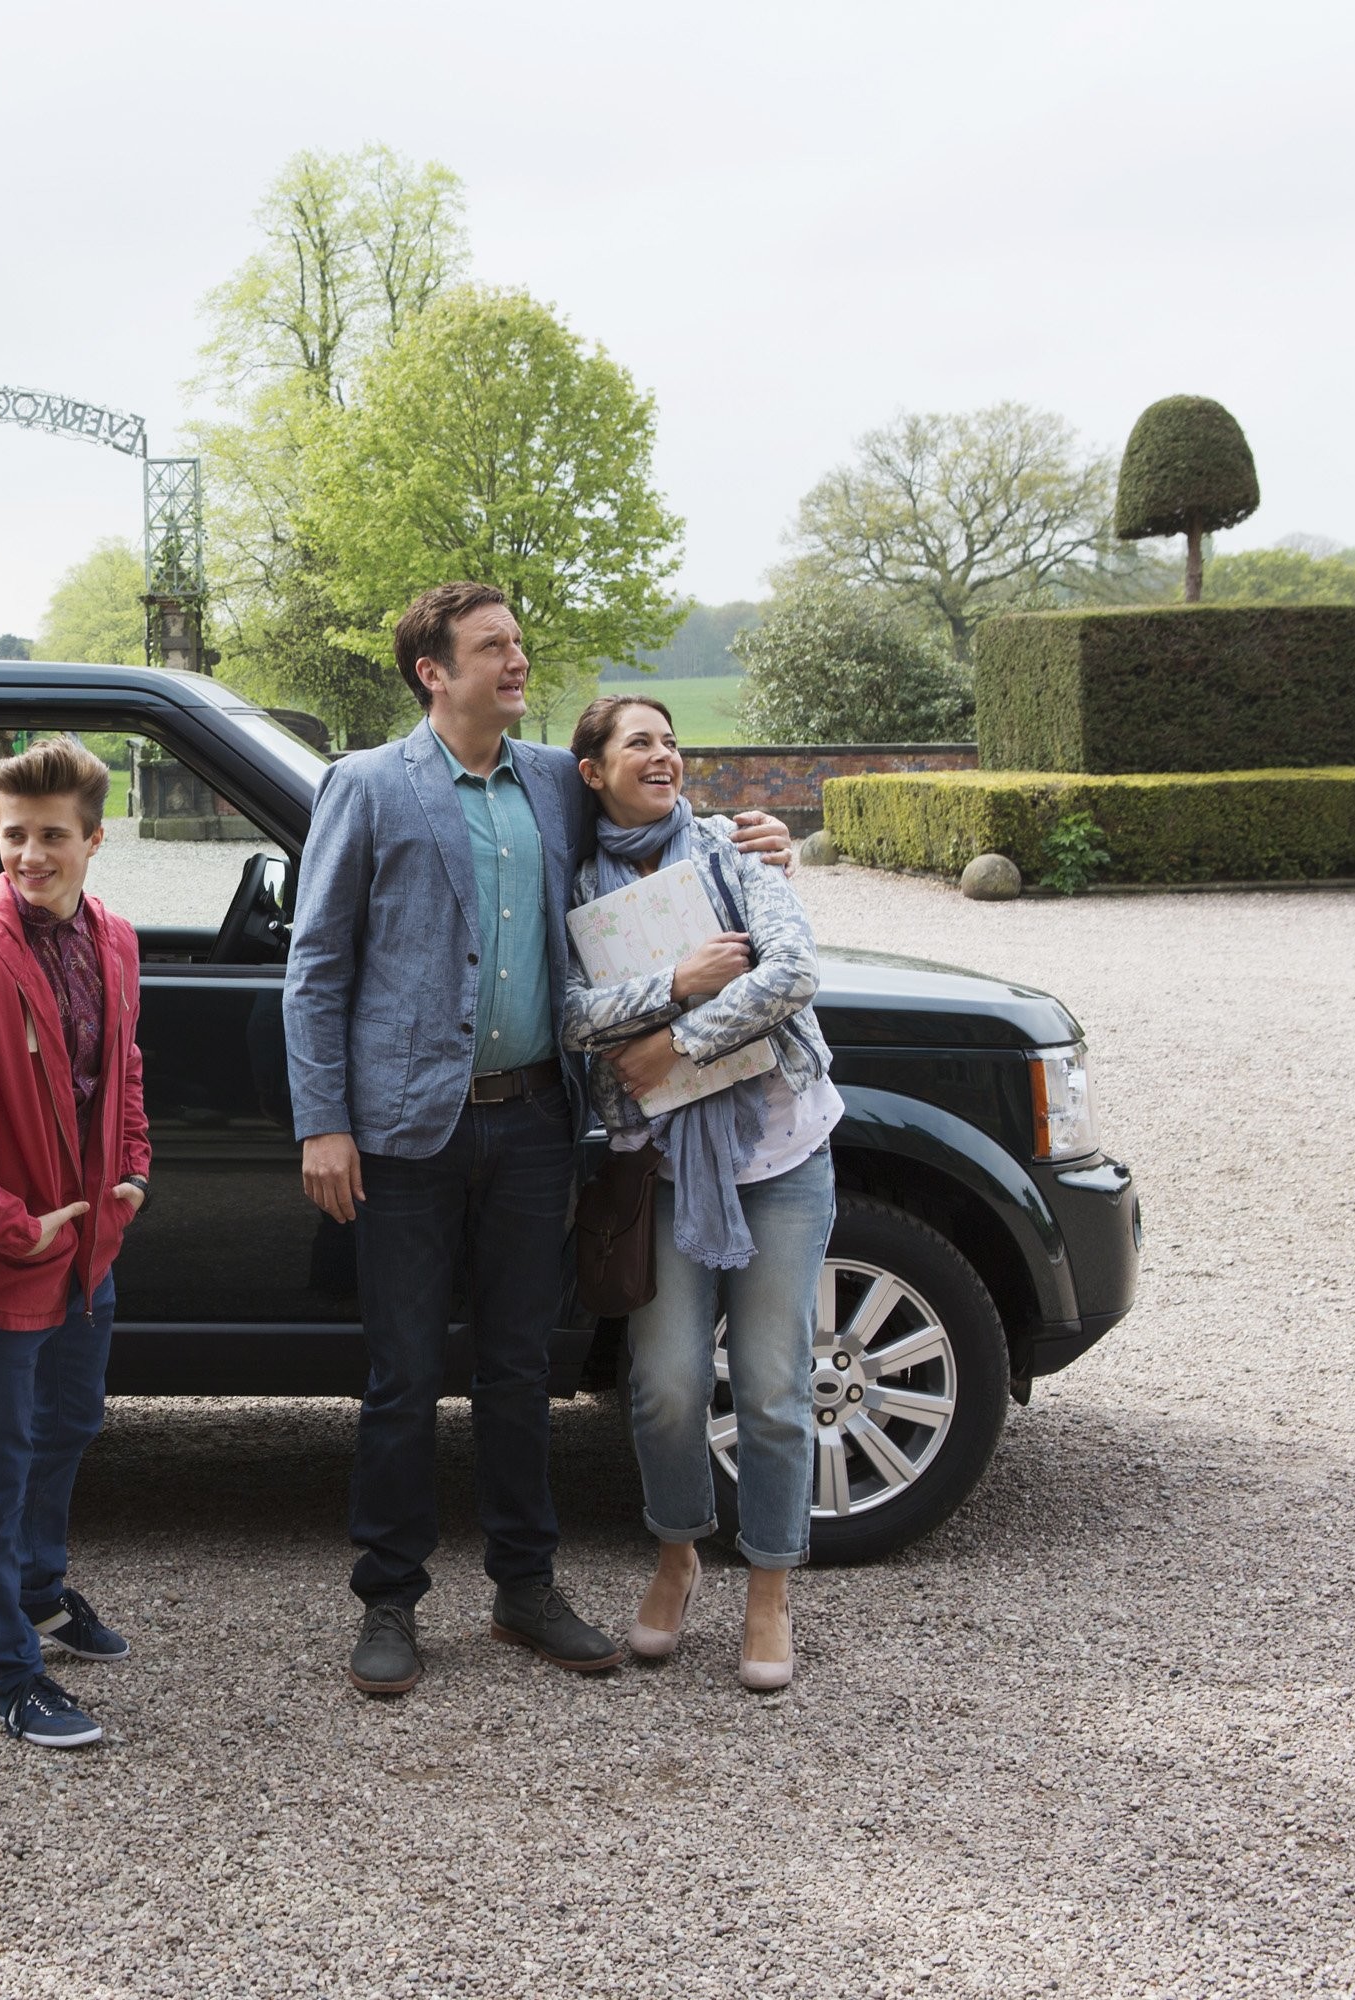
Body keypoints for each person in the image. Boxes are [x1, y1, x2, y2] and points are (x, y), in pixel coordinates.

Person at [286, 582, 797, 1697]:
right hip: (404, 1132)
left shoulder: (556, 784)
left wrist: (759, 839)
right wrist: (323, 1120)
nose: (517, 660)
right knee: (403, 1374)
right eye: (493, 647)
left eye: (519, 643)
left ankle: (525, 1587)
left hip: (533, 1126)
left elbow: (653, 817)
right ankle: (390, 1599)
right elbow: (316, 966)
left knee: (520, 1370)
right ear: (434, 670)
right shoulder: (367, 786)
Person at [559, 694, 839, 1693]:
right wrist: (676, 978)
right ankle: (677, 1554)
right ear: (592, 768)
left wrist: (677, 1039)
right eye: (641, 742)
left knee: (771, 1386)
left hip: (783, 1155)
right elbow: (573, 1017)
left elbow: (794, 968)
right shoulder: (573, 884)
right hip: (665, 1170)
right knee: (667, 1384)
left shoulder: (733, 849)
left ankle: (769, 1585)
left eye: (672, 740)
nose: (665, 755)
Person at [0, 736, 151, 1752]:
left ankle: (41, 1588)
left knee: (70, 1421)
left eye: (52, 835)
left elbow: (126, 1064)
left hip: (89, 1249)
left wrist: (135, 1167)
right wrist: (12, 1223)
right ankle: (9, 1670)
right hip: (2, 1258)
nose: (29, 855)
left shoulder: (113, 933)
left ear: (96, 839)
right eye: (14, 834)